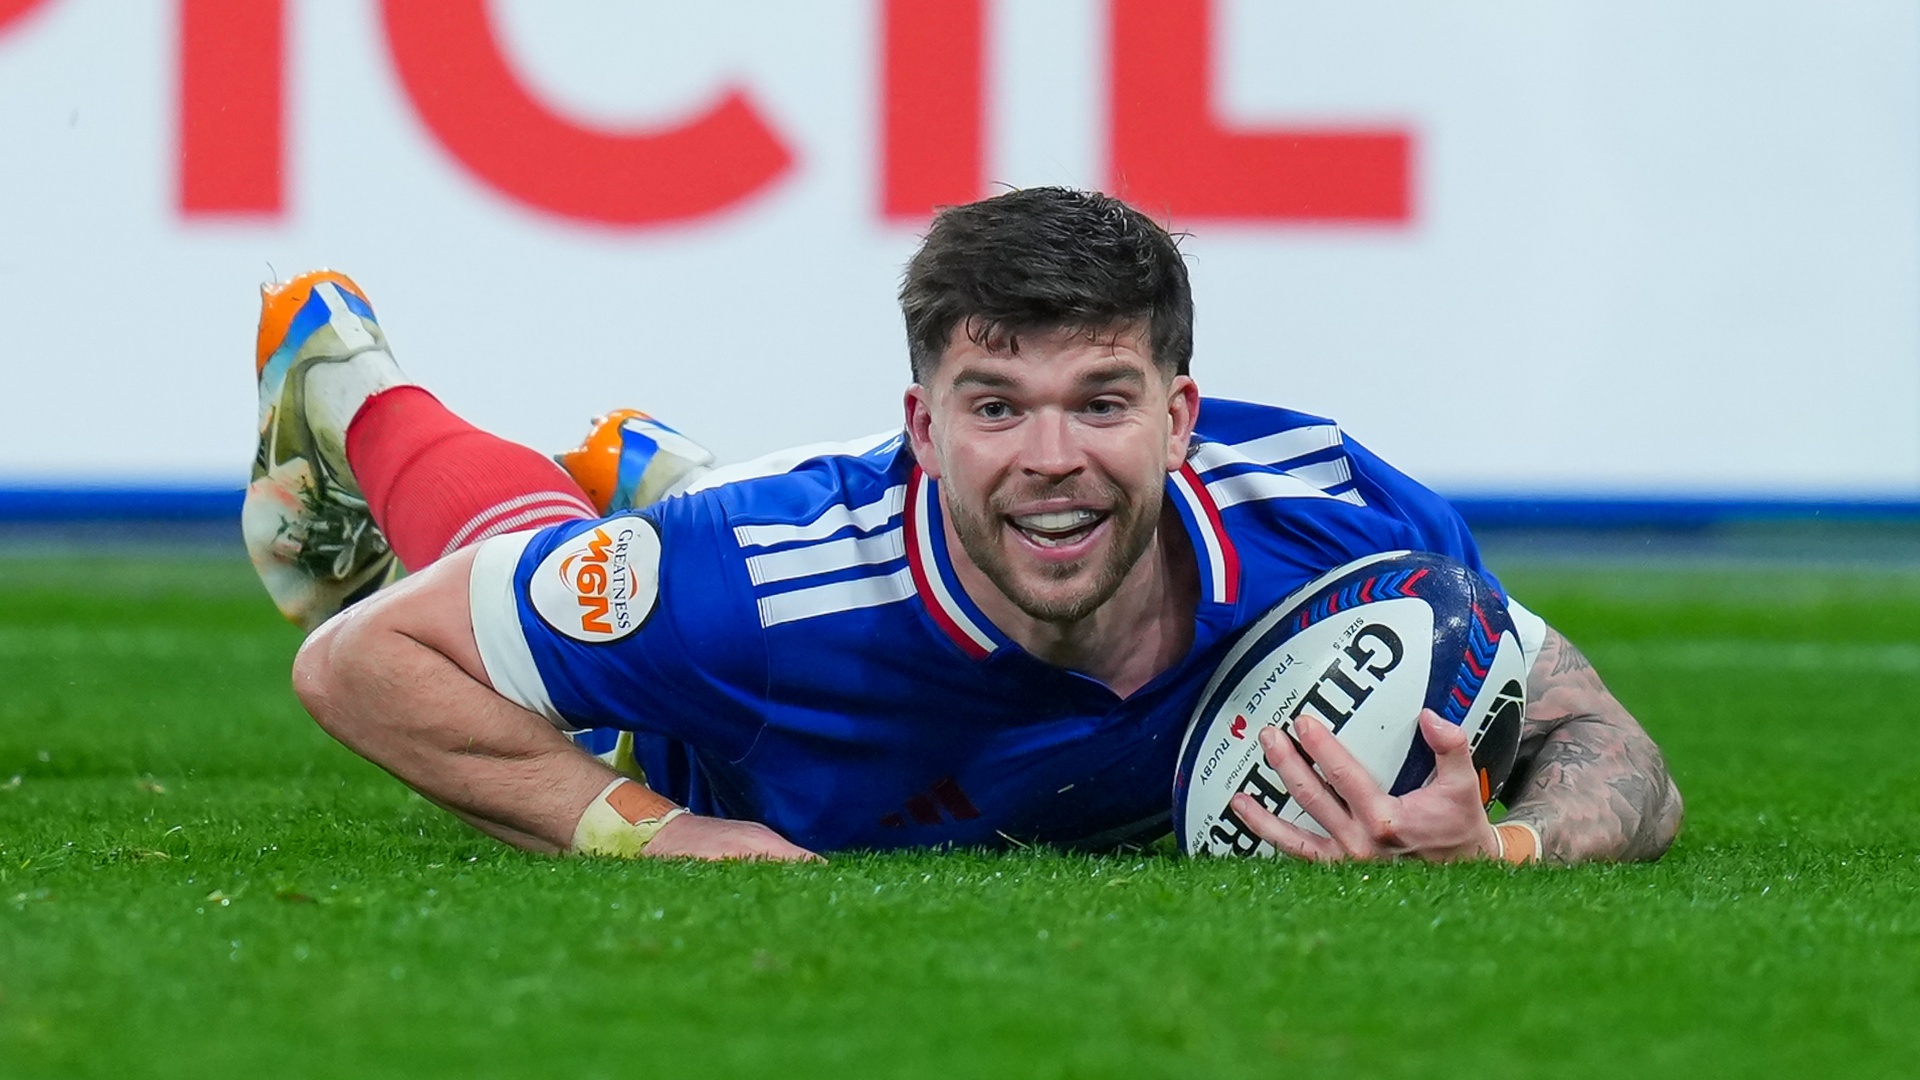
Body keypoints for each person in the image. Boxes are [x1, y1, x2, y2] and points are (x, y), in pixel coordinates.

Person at [257, 188, 1682, 864]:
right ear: (922, 427)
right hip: (738, 678)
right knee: (542, 612)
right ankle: (349, 384)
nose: (1055, 460)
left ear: (1183, 418)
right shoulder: (760, 592)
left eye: (1104, 403)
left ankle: (657, 477)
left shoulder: (1331, 509)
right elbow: (359, 664)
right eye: (997, 406)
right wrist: (648, 833)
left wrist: (1504, 849)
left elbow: (1612, 749)